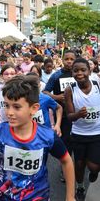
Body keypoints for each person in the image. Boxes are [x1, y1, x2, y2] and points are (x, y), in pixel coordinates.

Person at [0, 75, 75, 201]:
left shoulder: (48, 136)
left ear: (34, 108)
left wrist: (70, 197)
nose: (9, 112)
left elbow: (66, 160)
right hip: (5, 197)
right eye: (6, 105)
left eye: (16, 107)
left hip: (38, 197)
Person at [65, 58, 100, 200]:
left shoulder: (98, 84)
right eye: (76, 70)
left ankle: (92, 169)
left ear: (89, 71)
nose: (79, 73)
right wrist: (78, 114)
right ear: (72, 73)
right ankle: (80, 186)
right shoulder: (70, 90)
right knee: (79, 165)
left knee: (94, 167)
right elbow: (69, 117)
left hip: (97, 132)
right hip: (79, 134)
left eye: (83, 70)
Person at [43, 50, 76, 182]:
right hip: (62, 114)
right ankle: (65, 168)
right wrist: (55, 97)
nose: (69, 61)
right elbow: (45, 91)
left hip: (78, 113)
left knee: (76, 140)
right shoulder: (56, 75)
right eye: (66, 59)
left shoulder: (78, 74)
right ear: (62, 60)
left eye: (71, 59)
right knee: (66, 140)